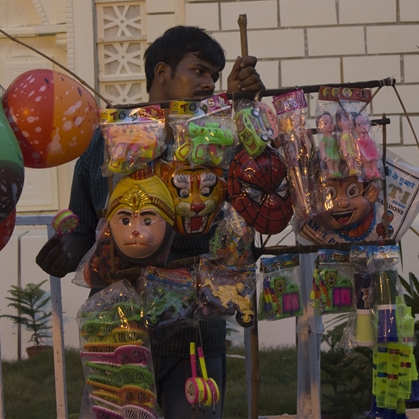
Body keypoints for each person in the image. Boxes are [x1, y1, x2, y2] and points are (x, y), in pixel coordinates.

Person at [36, 25, 264, 417]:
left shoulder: (218, 138)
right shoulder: (111, 138)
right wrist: (69, 246)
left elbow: (259, 185)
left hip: (197, 323)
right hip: (117, 322)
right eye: (198, 70)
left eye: (214, 74)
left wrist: (243, 108)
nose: (208, 82)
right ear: (162, 72)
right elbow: (82, 220)